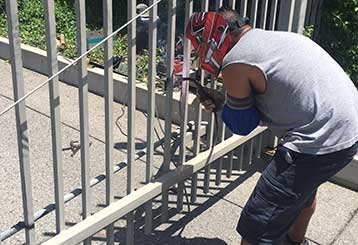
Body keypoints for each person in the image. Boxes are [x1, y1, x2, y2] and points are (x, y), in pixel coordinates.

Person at [185, 8, 358, 245]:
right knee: (302, 195)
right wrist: (226, 101)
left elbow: (243, 124)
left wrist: (221, 104)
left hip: (319, 138)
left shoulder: (235, 61)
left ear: (212, 40)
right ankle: (295, 241)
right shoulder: (273, 39)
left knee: (258, 223)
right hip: (348, 132)